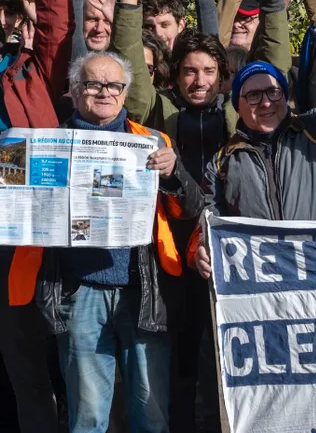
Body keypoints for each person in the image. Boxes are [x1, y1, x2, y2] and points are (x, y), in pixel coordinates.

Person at [30, 50, 205, 433]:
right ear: (75, 92)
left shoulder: (154, 141)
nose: (104, 92)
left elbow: (191, 207)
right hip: (79, 294)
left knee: (152, 413)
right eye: (93, 83)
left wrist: (173, 173)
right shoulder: (49, 146)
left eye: (114, 85)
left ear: (125, 93)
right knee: (88, 416)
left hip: (144, 293)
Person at [194, 0, 316, 237]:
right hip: (261, 275)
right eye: (253, 96)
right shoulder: (222, 163)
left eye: (273, 92)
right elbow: (209, 227)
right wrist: (203, 249)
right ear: (237, 105)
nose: (265, 103)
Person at [1, 0, 74, 433]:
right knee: (17, 368)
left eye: (4, 11)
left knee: (49, 363)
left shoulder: (36, 71)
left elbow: (56, 16)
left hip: (38, 235)